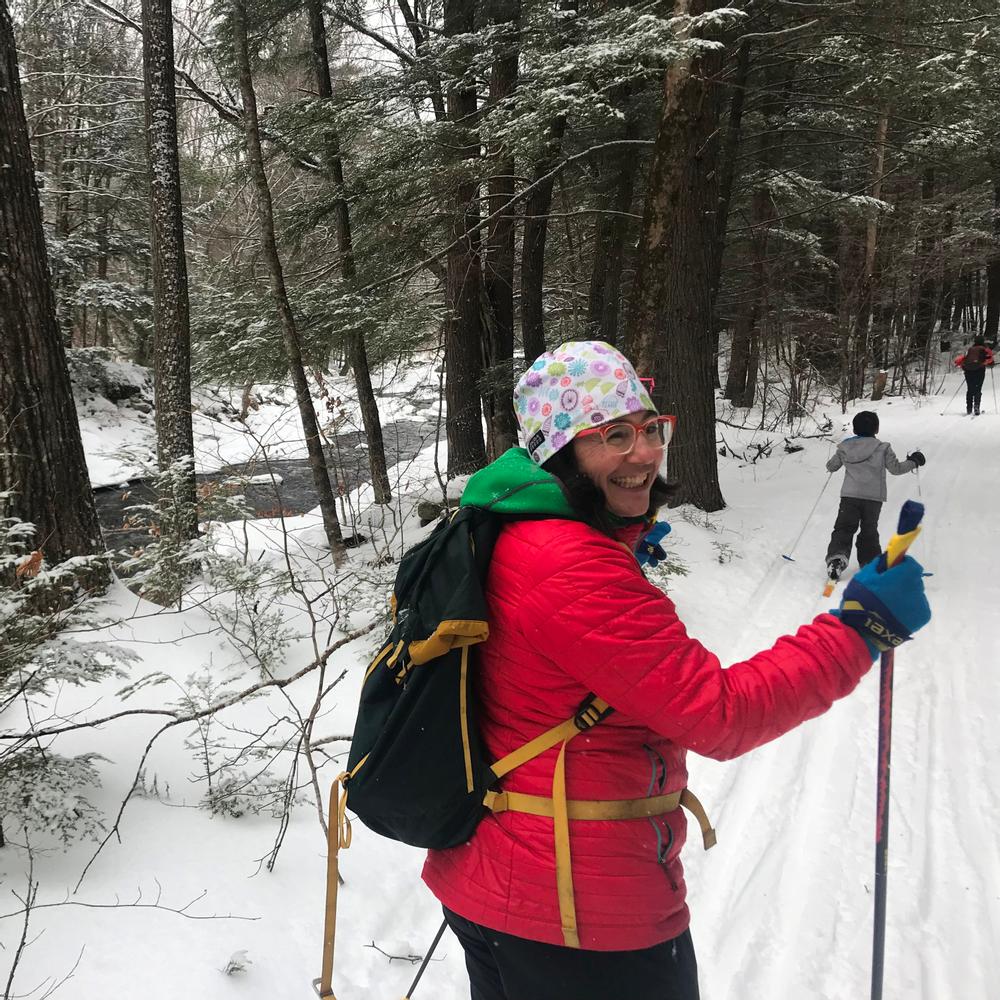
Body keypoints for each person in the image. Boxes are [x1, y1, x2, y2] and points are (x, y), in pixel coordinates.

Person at [421, 341, 931, 1000]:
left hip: (504, 882)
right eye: (613, 435)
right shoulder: (570, 564)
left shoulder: (512, 526)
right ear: (559, 450)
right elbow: (721, 715)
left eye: (649, 428)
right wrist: (859, 630)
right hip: (578, 915)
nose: (644, 452)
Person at [824, 410, 924, 581]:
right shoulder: (882, 447)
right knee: (869, 530)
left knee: (844, 528)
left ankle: (837, 559)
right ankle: (870, 562)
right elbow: (896, 469)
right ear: (876, 429)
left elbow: (832, 466)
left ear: (855, 430)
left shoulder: (844, 447)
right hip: (873, 499)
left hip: (850, 496)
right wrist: (914, 461)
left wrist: (835, 460)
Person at [954, 335, 995, 415]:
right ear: (983, 341)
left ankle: (969, 408)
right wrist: (990, 364)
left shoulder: (970, 349)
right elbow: (990, 361)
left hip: (968, 370)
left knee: (970, 389)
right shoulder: (985, 349)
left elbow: (965, 359)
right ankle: (976, 407)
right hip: (979, 370)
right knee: (978, 388)